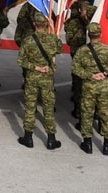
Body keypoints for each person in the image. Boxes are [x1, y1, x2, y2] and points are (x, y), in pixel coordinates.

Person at [72, 21, 108, 155]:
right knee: (106, 114)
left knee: (87, 114)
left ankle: (87, 143)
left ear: (89, 34)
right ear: (100, 34)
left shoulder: (82, 51)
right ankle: (107, 145)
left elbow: (75, 68)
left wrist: (90, 75)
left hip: (89, 87)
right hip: (104, 87)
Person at [18, 17, 62, 150]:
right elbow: (59, 49)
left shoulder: (28, 40)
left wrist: (35, 67)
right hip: (47, 78)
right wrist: (54, 31)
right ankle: (51, 139)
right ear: (46, 24)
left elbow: (21, 61)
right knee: (48, 108)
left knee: (30, 108)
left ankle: (28, 137)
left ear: (34, 24)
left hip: (32, 77)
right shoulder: (52, 39)